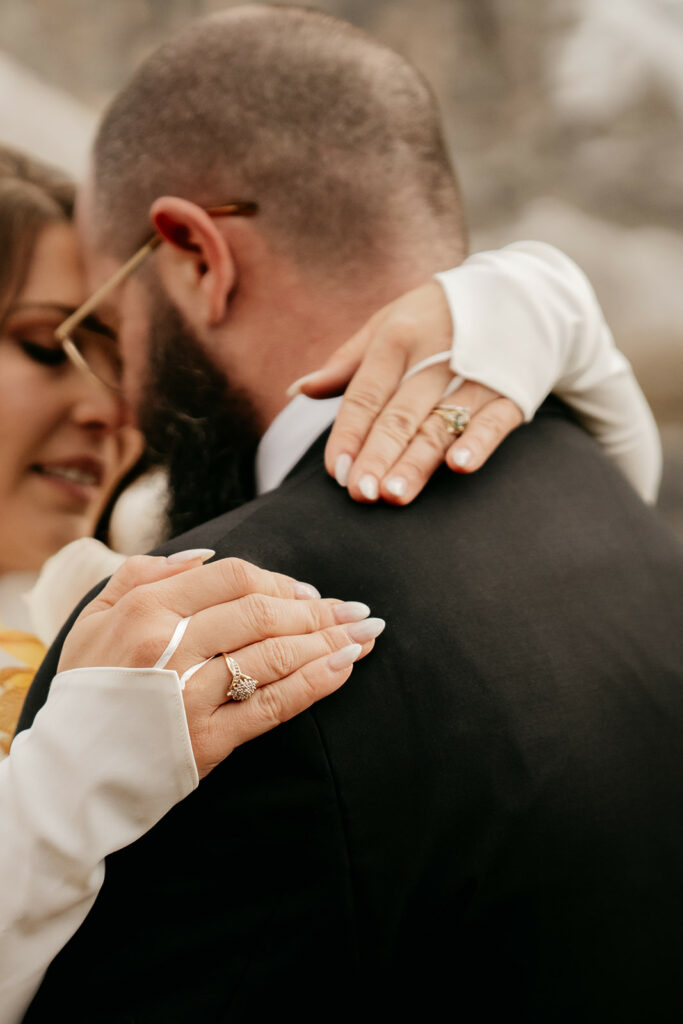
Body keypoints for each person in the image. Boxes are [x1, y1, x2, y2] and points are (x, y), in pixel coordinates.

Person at [17, 6, 683, 1021]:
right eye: (49, 342)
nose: (116, 405)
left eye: (106, 332)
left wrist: (547, 299)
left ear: (196, 256)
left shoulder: (197, 642)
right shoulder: (617, 513)